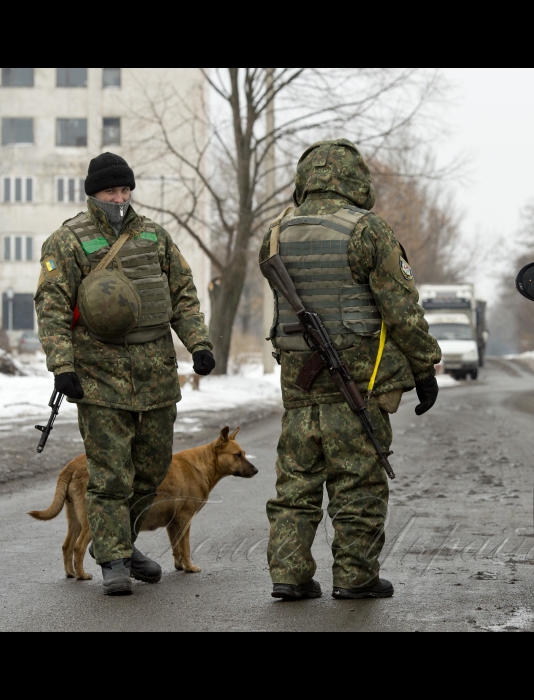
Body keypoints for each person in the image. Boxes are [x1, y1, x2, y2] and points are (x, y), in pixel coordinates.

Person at [260, 139, 441, 601]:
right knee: (358, 482)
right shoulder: (367, 230)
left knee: (295, 483)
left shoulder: (276, 233)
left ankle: (290, 575)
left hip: (298, 384)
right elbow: (400, 308)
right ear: (354, 178)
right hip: (357, 382)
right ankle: (356, 577)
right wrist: (424, 366)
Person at [34, 152, 215, 595]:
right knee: (111, 472)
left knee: (151, 471)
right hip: (99, 376)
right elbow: (52, 307)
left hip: (156, 375)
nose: (119, 197)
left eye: (125, 189)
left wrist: (200, 344)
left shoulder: (155, 235)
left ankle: (123, 542)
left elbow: (183, 295)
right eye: (111, 190)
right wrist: (62, 365)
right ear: (93, 192)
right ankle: (114, 560)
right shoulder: (67, 241)